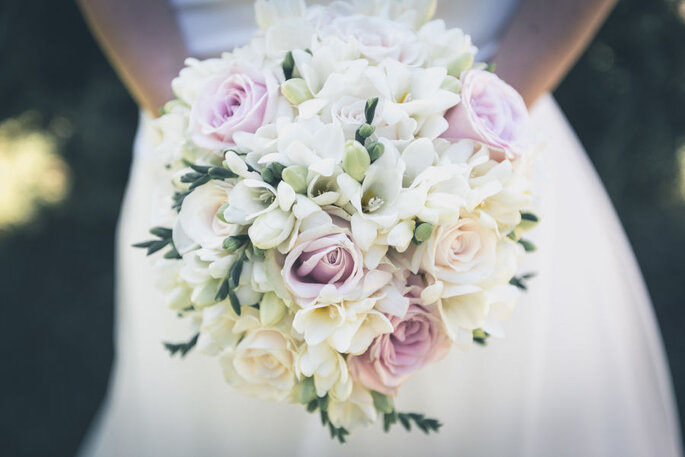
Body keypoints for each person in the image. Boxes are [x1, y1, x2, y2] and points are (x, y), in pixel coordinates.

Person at [77, 0, 683, 456]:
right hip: (209, 140)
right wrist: (194, 134)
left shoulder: (477, 136)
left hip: (482, 133)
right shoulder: (203, 149)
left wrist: (470, 133)